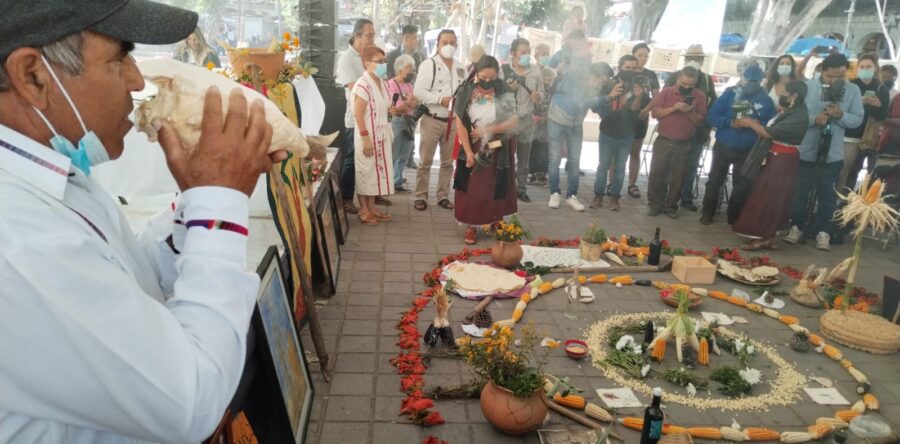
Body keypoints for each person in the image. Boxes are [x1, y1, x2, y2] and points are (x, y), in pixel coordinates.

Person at [0, 2, 287, 441]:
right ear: (33, 77)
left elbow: (126, 284)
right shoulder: (20, 237)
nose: (137, 81)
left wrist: (196, 199)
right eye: (120, 58)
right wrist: (218, 208)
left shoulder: (53, 175)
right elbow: (192, 402)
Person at [786, 53, 864, 250]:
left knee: (827, 194)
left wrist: (840, 115)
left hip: (833, 153)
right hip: (807, 149)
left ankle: (824, 231)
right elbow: (796, 115)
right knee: (800, 191)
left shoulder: (852, 90)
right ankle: (796, 226)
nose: (835, 81)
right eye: (831, 76)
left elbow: (857, 119)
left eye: (840, 77)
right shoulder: (809, 86)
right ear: (822, 70)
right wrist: (814, 119)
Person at [732, 81, 810, 250]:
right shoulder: (792, 111)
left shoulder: (799, 115)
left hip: (782, 159)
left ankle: (763, 236)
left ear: (794, 95)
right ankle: (768, 235)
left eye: (784, 92)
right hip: (776, 157)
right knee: (771, 196)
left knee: (769, 197)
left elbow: (768, 133)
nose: (781, 96)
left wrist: (749, 123)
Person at [453, 56, 520, 244]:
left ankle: (495, 220)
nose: (487, 82)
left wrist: (487, 130)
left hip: (498, 145)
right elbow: (460, 123)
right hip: (472, 144)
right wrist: (467, 152)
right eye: (483, 77)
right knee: (472, 186)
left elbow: (513, 121)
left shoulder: (504, 89)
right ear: (476, 73)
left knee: (496, 183)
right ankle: (471, 225)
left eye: (492, 78)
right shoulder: (466, 91)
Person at [699, 63, 776, 225]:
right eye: (749, 80)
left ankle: (734, 217)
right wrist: (730, 122)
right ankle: (707, 213)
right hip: (724, 144)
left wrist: (756, 123)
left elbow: (772, 126)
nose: (752, 84)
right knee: (714, 180)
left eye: (756, 81)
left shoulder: (766, 101)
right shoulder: (729, 94)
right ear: (742, 78)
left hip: (748, 149)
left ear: (761, 80)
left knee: (742, 184)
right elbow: (712, 116)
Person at [413, 29, 466, 211]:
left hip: (452, 122)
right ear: (437, 44)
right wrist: (439, 99)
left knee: (447, 162)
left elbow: (465, 91)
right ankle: (420, 196)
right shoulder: (429, 64)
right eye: (445, 42)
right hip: (432, 119)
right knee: (425, 161)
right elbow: (418, 92)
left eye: (452, 42)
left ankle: (443, 196)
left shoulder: (460, 67)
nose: (449, 46)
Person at [546, 62, 610, 211]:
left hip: (575, 125)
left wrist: (611, 99)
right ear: (594, 75)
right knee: (554, 158)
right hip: (557, 120)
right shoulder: (573, 79)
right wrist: (606, 98)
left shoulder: (596, 89)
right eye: (602, 80)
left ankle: (571, 196)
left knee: (574, 160)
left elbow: (598, 109)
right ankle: (554, 193)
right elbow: (578, 103)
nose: (602, 84)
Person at [647, 67, 709, 218]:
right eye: (684, 83)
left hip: (685, 142)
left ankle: (671, 206)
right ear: (677, 80)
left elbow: (701, 122)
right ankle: (655, 204)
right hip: (664, 139)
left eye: (691, 85)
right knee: (657, 174)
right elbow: (655, 112)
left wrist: (690, 112)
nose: (687, 87)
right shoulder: (667, 92)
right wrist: (673, 108)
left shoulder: (699, 96)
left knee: (678, 177)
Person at [592, 55, 650, 211]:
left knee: (620, 168)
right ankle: (598, 196)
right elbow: (598, 108)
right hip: (607, 131)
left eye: (633, 68)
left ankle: (615, 198)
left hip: (627, 134)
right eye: (627, 67)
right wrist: (611, 97)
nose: (630, 71)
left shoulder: (639, 85)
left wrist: (638, 97)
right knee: (602, 166)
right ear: (619, 67)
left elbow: (636, 111)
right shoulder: (609, 83)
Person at [665, 44, 717, 211]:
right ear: (686, 59)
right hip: (675, 130)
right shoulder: (674, 77)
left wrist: (707, 129)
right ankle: (668, 198)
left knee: (692, 166)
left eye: (698, 58)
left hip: (697, 131)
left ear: (702, 60)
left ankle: (686, 197)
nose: (694, 61)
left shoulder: (708, 81)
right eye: (691, 58)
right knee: (670, 166)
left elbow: (712, 105)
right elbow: (663, 99)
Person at [352, 46, 396, 225]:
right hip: (367, 136)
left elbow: (385, 109)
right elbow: (357, 113)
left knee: (376, 173)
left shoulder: (383, 82)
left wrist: (392, 112)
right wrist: (364, 138)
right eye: (379, 62)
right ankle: (363, 210)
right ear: (367, 64)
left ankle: (372, 208)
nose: (383, 65)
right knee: (366, 171)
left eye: (384, 61)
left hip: (381, 134)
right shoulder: (362, 84)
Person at [337, 19, 376, 215]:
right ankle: (345, 199)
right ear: (356, 35)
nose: (372, 39)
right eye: (369, 35)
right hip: (355, 118)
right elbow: (354, 88)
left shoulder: (369, 56)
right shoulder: (346, 59)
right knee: (352, 159)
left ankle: (370, 198)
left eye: (373, 35)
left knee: (369, 160)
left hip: (374, 118)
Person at [501, 38, 544, 203]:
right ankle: (505, 187)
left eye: (529, 52)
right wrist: (507, 89)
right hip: (507, 121)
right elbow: (495, 93)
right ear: (513, 54)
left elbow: (542, 93)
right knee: (506, 156)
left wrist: (538, 96)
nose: (527, 56)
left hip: (527, 120)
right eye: (523, 52)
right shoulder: (503, 70)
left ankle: (521, 189)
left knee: (524, 159)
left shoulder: (535, 71)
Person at [840, 54, 889, 191]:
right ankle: (842, 201)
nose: (865, 69)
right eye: (862, 67)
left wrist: (878, 105)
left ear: (875, 69)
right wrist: (857, 102)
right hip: (848, 135)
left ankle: (856, 202)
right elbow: (841, 109)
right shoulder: (850, 85)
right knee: (846, 171)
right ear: (858, 68)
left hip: (868, 137)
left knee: (865, 172)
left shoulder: (881, 88)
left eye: (869, 67)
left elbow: (882, 116)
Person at [621, 42, 660, 200]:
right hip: (623, 116)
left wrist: (647, 109)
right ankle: (612, 183)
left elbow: (657, 97)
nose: (643, 59)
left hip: (641, 117)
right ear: (634, 55)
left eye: (646, 56)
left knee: (635, 152)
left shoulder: (651, 75)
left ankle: (632, 184)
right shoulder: (626, 72)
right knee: (618, 151)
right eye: (640, 55)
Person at [388, 54, 419, 193]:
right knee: (394, 153)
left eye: (412, 69)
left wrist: (409, 104)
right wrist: (410, 103)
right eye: (409, 69)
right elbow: (397, 107)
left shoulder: (410, 86)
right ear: (400, 70)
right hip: (398, 121)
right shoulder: (391, 84)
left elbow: (415, 104)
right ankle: (391, 181)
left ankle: (397, 180)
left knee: (404, 154)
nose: (411, 72)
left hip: (409, 122)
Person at [528, 43, 556, 186]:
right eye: (542, 53)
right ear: (536, 55)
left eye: (547, 53)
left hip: (546, 115)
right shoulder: (529, 71)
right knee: (530, 144)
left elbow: (553, 95)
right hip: (530, 116)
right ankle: (530, 172)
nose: (545, 56)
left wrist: (547, 116)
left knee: (544, 146)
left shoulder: (551, 73)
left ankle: (542, 174)